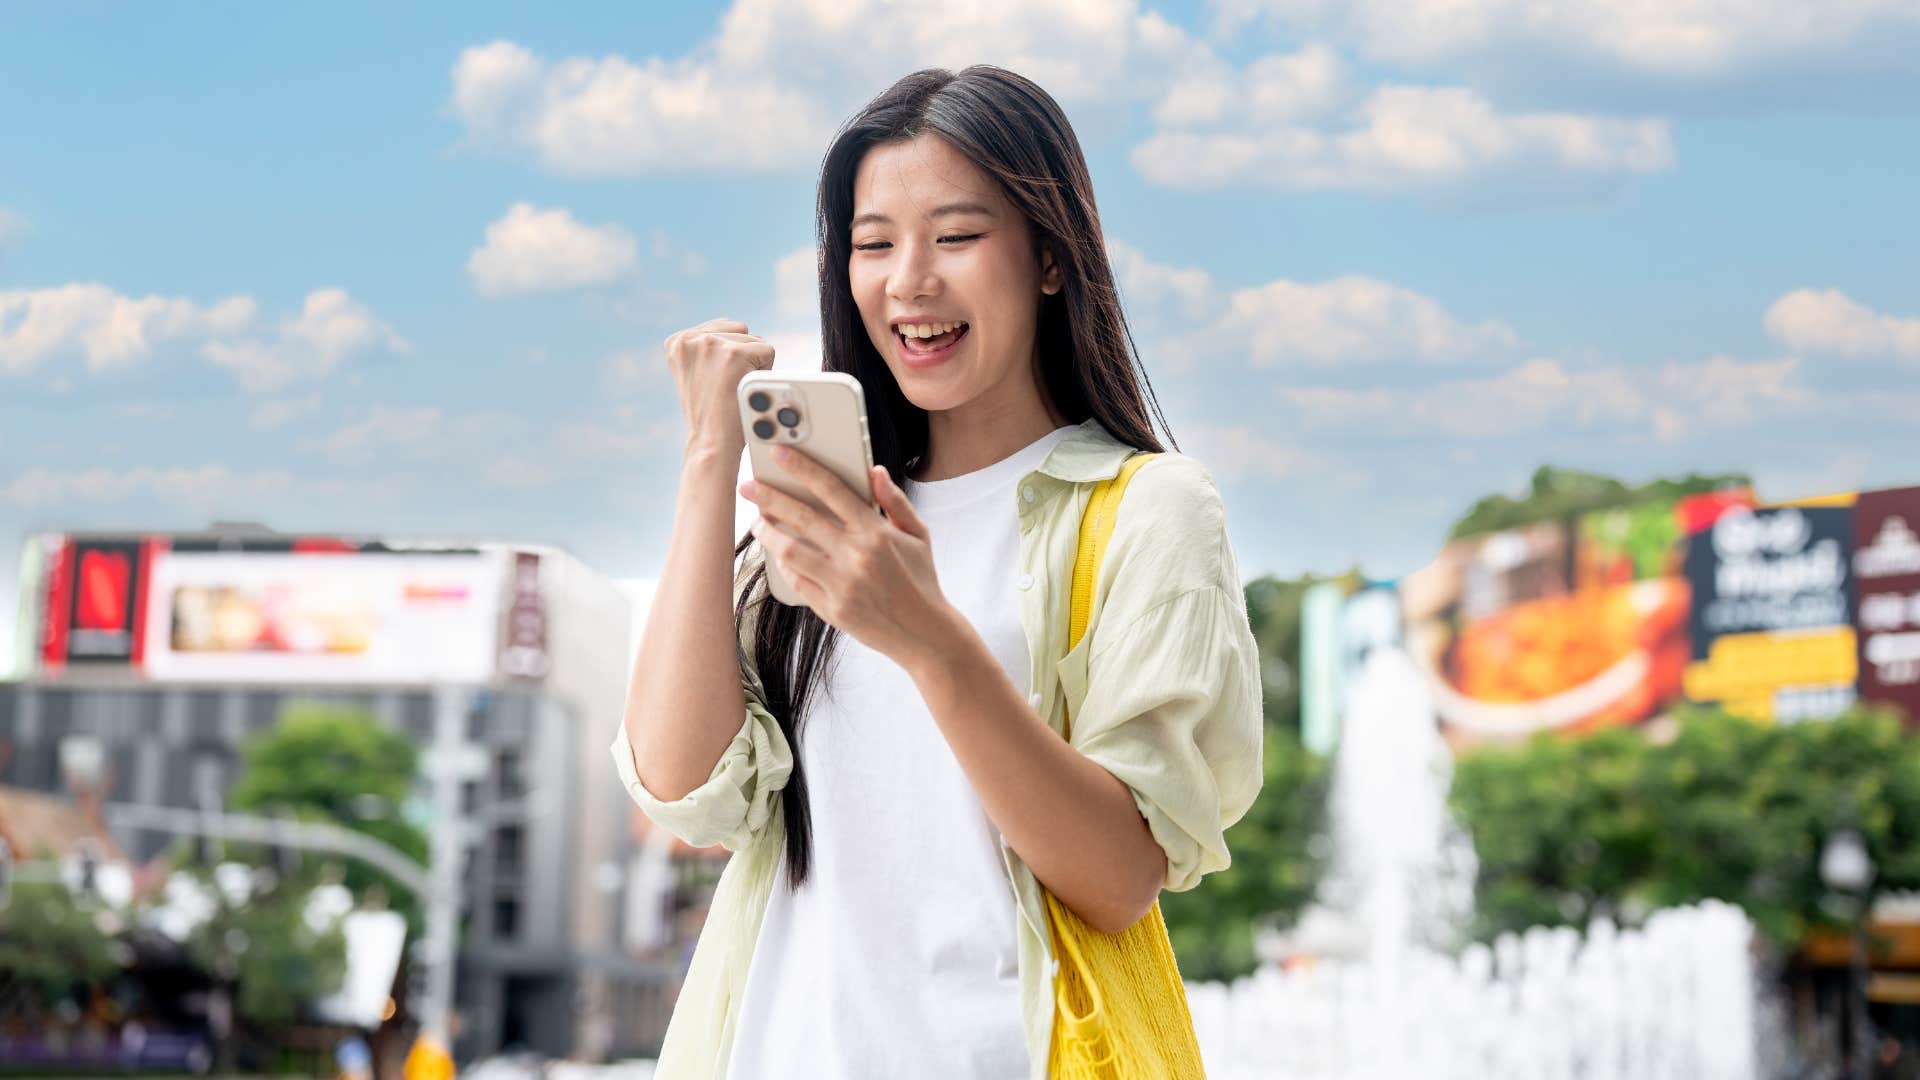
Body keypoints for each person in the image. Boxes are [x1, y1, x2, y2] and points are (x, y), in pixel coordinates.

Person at [612, 65, 1264, 1079]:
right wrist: (710, 463)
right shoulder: (830, 509)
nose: (909, 280)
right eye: (874, 244)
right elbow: (685, 788)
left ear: (1050, 259)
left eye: (957, 236)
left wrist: (922, 634)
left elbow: (1121, 877)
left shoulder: (1148, 510)